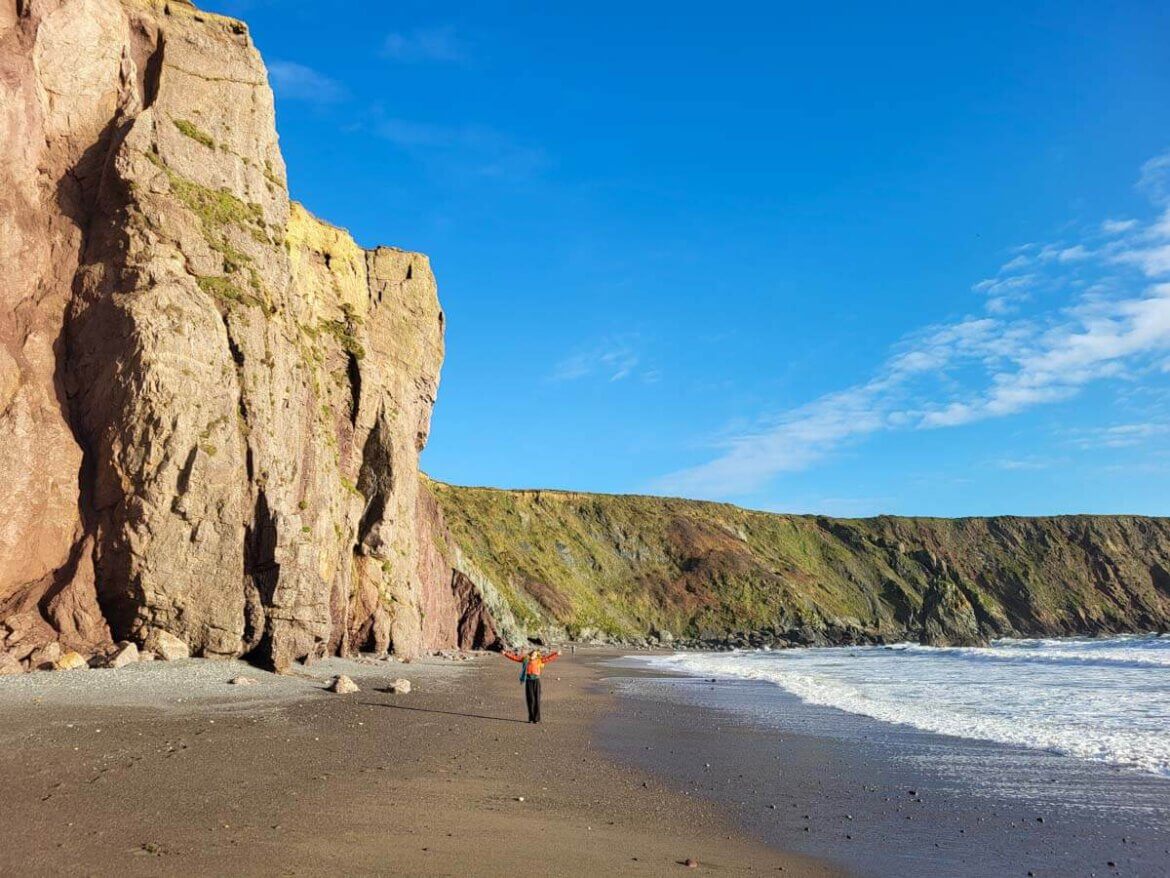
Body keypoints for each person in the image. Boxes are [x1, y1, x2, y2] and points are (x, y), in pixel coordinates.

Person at [502, 646, 560, 723]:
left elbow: (548, 658)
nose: (533, 655)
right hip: (528, 681)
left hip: (536, 681)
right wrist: (505, 654)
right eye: (532, 653)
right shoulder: (525, 660)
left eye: (535, 654)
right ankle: (531, 718)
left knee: (537, 700)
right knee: (530, 700)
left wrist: (556, 654)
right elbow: (515, 658)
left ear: (537, 655)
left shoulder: (539, 660)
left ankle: (536, 719)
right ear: (530, 654)